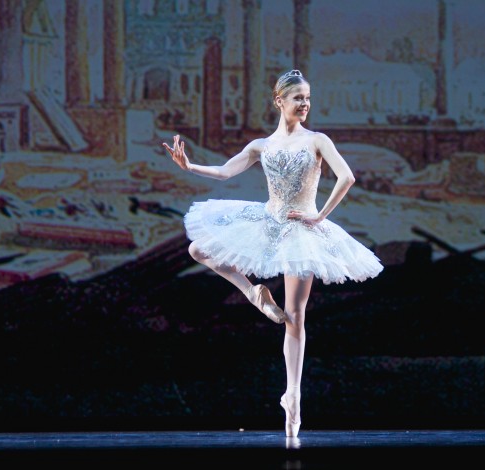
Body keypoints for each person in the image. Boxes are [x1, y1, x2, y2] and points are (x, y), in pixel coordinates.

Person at [162, 69, 383, 438]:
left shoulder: (317, 140)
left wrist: (319, 216)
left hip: (300, 228)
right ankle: (252, 293)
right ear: (279, 101)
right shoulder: (261, 146)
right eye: (298, 98)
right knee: (198, 248)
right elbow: (224, 172)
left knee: (295, 314)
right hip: (268, 219)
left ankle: (292, 397)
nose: (305, 104)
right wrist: (190, 166)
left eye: (307, 98)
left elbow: (347, 177)